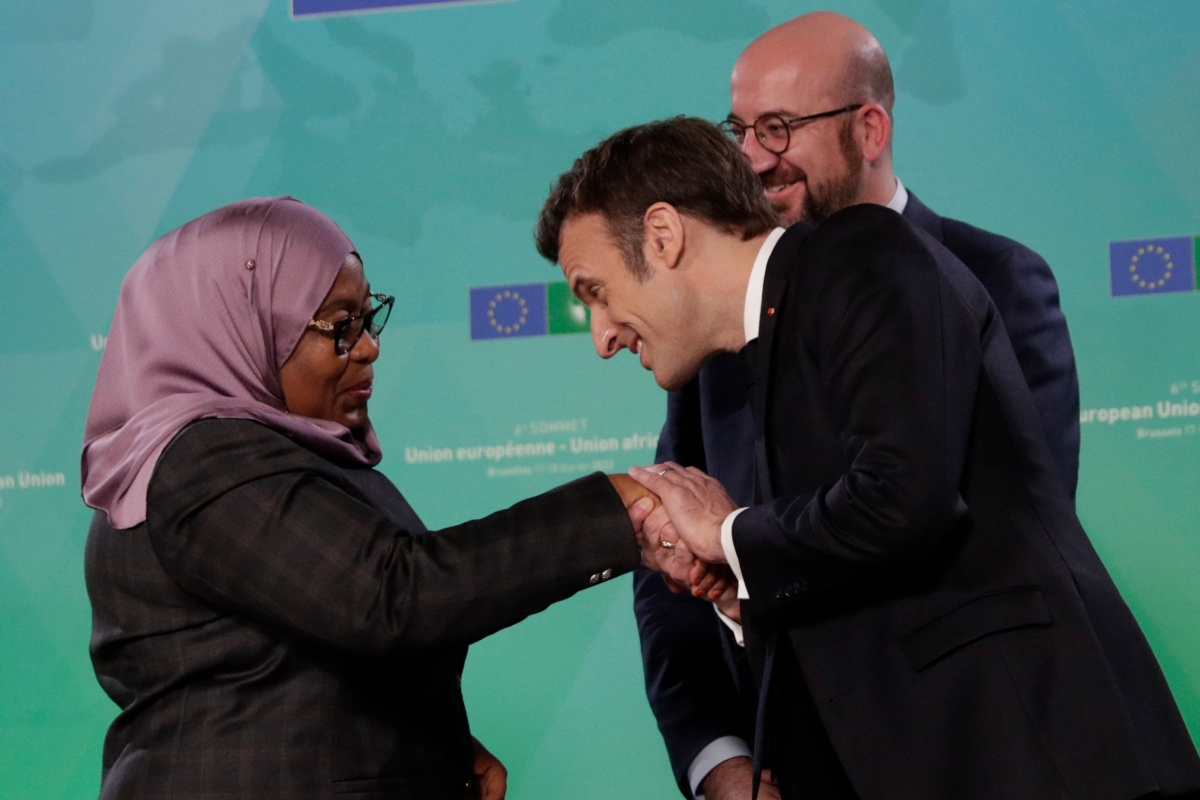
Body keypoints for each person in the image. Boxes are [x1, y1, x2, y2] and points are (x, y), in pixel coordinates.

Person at [536, 117, 1200, 800]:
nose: (603, 336)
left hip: (1030, 758)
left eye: (595, 291)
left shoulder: (863, 253)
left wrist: (726, 532)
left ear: (664, 235)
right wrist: (739, 591)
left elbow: (902, 500)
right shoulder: (760, 351)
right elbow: (855, 580)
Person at [80, 196, 666, 800]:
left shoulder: (268, 457)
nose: (367, 347)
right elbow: (393, 596)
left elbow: (282, 661)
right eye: (339, 325)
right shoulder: (202, 458)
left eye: (367, 317)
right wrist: (612, 511)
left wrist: (426, 742)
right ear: (241, 323)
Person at [633, 13, 1082, 799]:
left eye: (777, 128)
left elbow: (998, 538)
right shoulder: (719, 337)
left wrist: (741, 544)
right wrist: (722, 760)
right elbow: (672, 579)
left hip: (966, 758)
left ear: (869, 128)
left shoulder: (994, 276)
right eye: (738, 129)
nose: (751, 159)